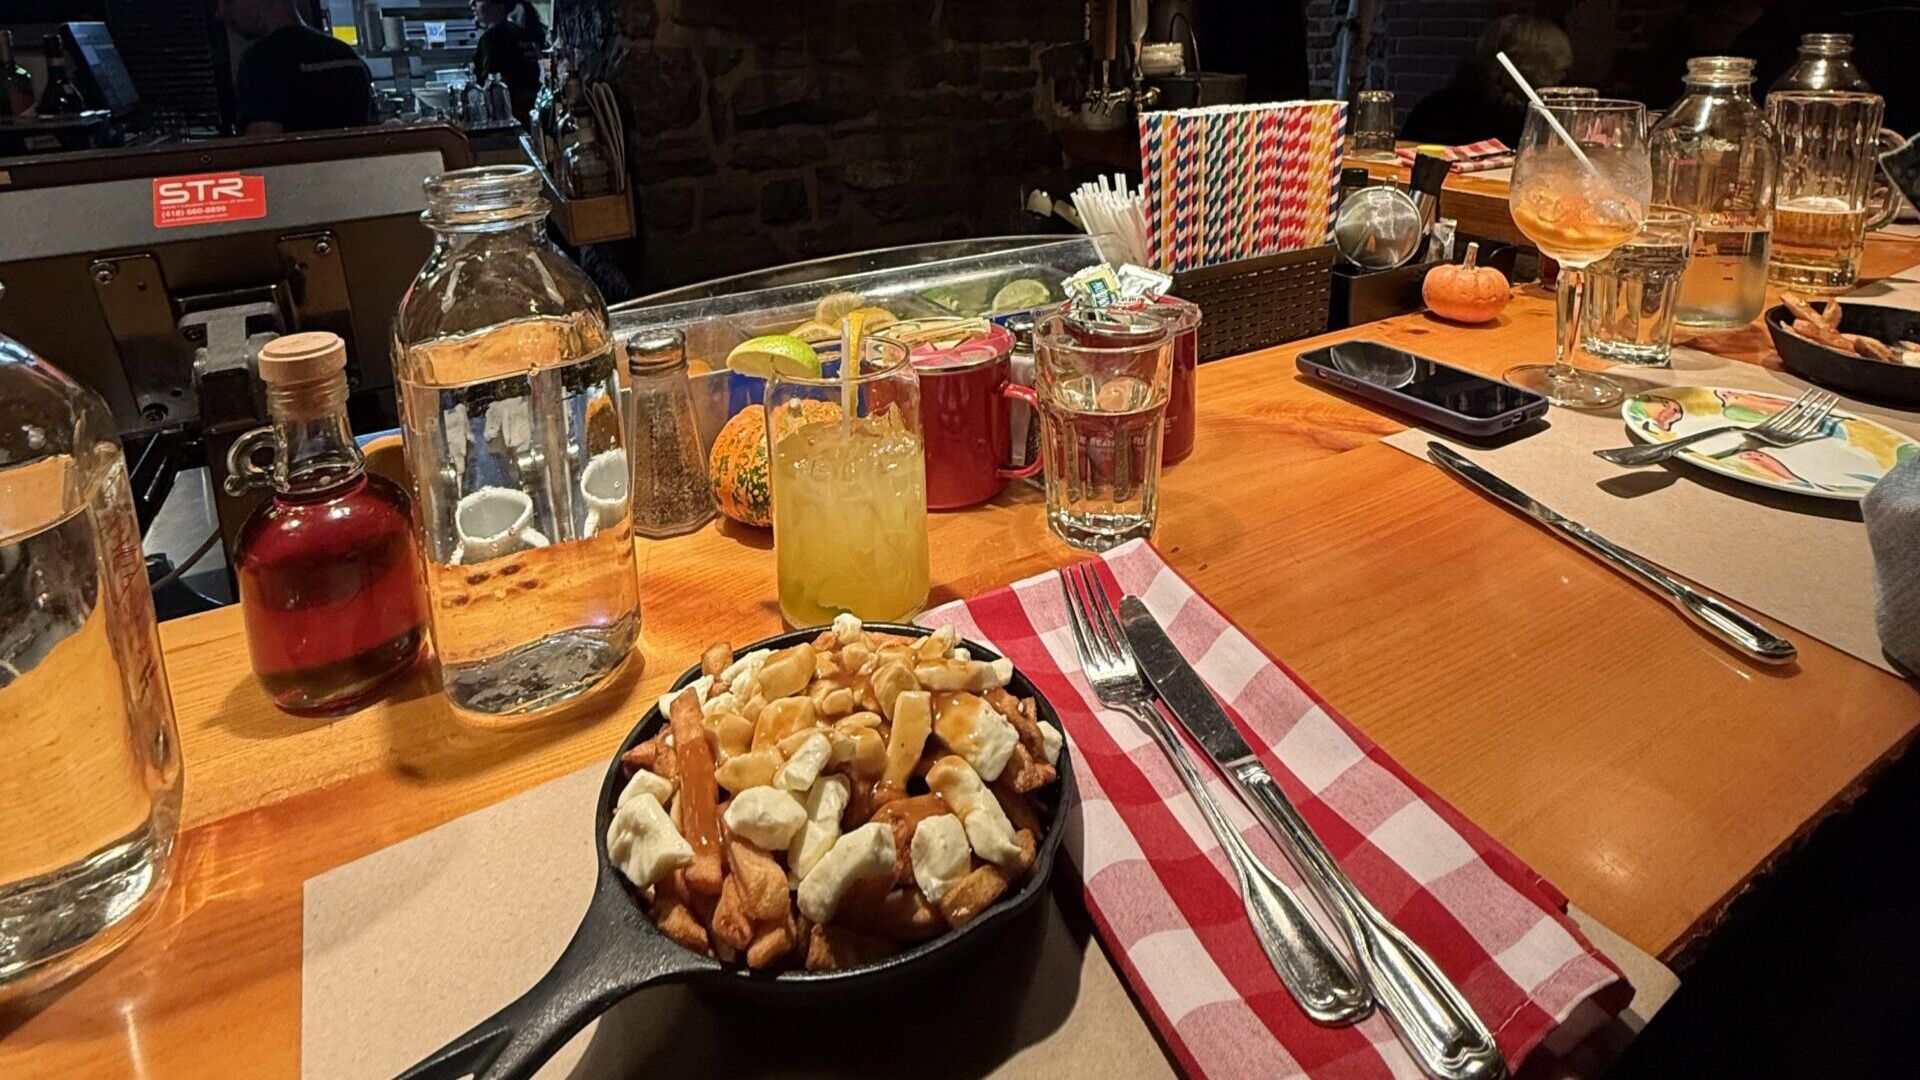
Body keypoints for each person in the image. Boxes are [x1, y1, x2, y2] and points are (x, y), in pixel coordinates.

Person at [1402, 15, 1574, 148]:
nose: (1561, 78)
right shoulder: (1520, 121)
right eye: (1558, 69)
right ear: (1532, 66)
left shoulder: (1435, 105)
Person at [215, 0, 373, 135]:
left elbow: (265, 150)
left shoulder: (262, 60)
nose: (219, 13)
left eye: (229, 1)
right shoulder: (349, 58)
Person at [472, 0, 546, 124]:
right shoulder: (525, 33)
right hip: (534, 116)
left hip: (508, 119)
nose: (472, 3)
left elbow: (489, 85)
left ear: (499, 6)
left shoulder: (493, 38)